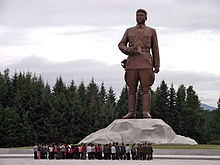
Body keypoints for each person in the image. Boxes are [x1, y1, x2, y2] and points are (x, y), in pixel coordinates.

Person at [118, 9, 160, 119]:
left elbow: (155, 49)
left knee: (145, 89)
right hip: (132, 63)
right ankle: (131, 112)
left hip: (146, 62)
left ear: (146, 17)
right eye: (137, 15)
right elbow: (121, 44)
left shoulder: (151, 31)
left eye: (141, 15)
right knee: (131, 89)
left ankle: (146, 112)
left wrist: (157, 65)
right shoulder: (129, 31)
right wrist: (128, 50)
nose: (139, 17)